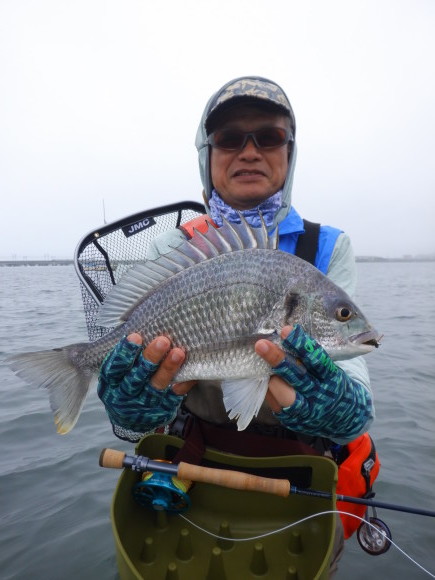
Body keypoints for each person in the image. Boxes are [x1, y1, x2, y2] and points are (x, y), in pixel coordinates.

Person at [97, 76, 376, 574]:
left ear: (290, 152)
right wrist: (132, 403)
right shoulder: (175, 248)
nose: (249, 152)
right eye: (229, 139)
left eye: (268, 137)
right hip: (188, 474)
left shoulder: (329, 249)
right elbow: (130, 420)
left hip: (299, 484)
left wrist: (334, 408)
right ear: (207, 154)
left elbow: (357, 403)